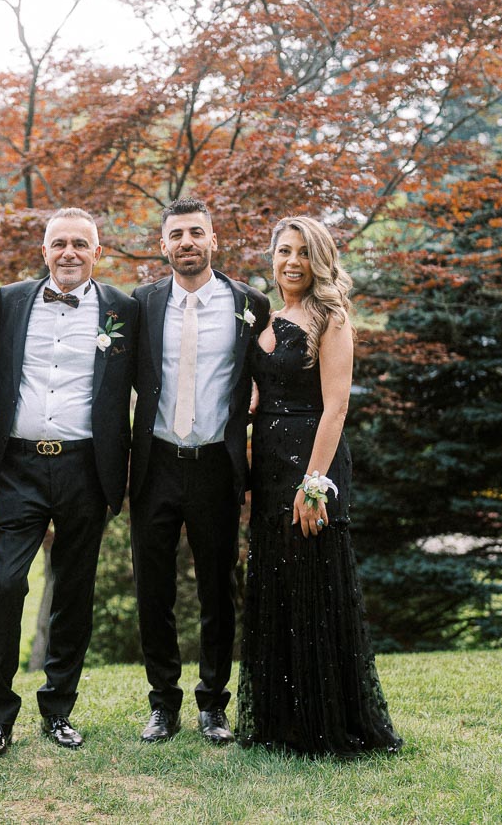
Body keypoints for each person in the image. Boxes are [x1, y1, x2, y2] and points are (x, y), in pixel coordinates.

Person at [234, 215, 402, 756]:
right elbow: (262, 383)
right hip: (268, 464)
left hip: (313, 460)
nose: (291, 262)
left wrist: (315, 485)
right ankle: (281, 723)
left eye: (304, 253)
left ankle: (327, 724)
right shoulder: (266, 314)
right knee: (277, 579)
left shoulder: (331, 317)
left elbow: (337, 406)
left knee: (316, 581)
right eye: (284, 251)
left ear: (320, 259)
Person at [0, 207, 137, 757]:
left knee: (73, 591)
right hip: (19, 465)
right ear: (44, 251)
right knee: (4, 585)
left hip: (86, 468)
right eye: (58, 243)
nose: (69, 253)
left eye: (80, 244)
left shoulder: (124, 310)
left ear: (98, 252)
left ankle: (58, 709)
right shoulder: (10, 299)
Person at [129, 197, 270, 744]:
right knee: (154, 590)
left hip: (216, 465)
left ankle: (214, 703)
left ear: (214, 240)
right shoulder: (141, 304)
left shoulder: (250, 303)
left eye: (196, 233)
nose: (186, 242)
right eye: (176, 235)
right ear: (163, 245)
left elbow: (268, 370)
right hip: (156, 463)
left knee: (218, 587)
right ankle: (163, 703)